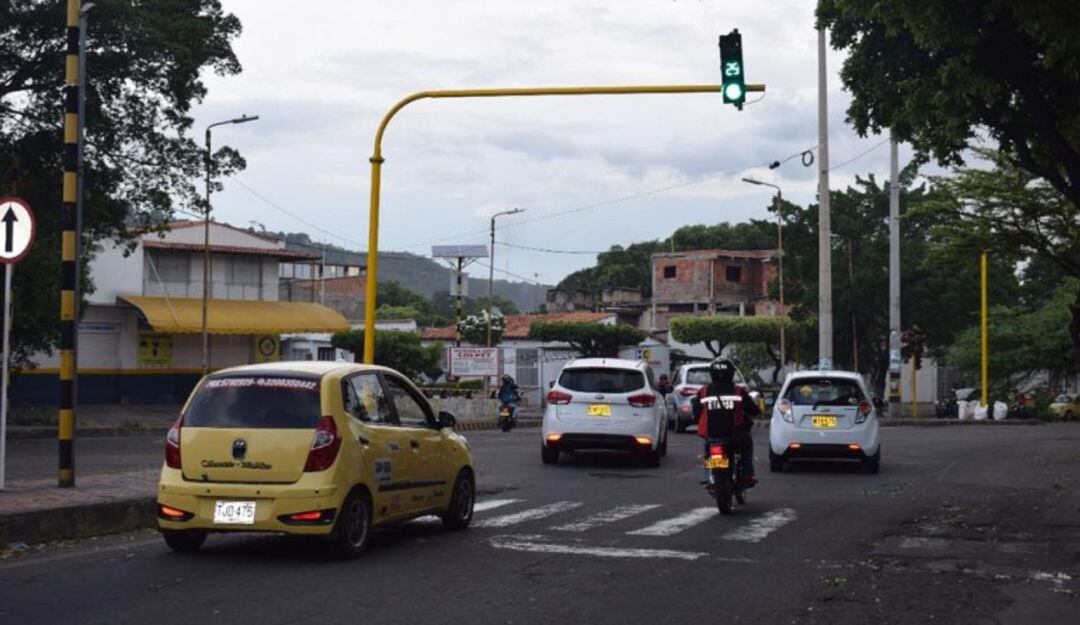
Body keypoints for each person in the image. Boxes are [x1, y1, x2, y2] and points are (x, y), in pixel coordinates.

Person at [692, 358, 759, 487]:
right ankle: (747, 474)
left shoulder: (704, 391)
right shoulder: (738, 391)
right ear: (731, 373)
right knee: (746, 446)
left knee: (709, 450)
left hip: (711, 434)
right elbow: (752, 409)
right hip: (735, 435)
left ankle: (708, 476)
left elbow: (695, 412)